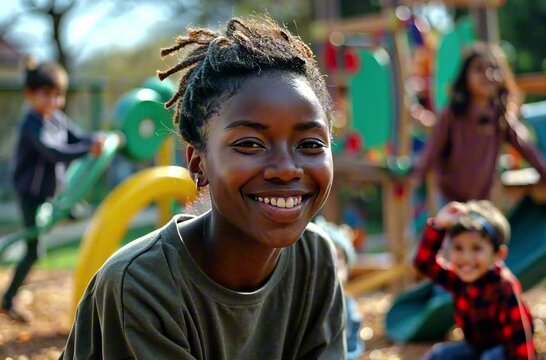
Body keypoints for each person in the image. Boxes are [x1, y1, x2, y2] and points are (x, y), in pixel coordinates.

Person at [61, 15, 346, 359]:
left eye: (311, 144)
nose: (286, 169)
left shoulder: (316, 260)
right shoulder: (141, 286)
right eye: (251, 144)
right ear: (198, 162)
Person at [1, 58, 103, 322]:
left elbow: (77, 136)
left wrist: (96, 138)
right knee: (34, 250)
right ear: (30, 95)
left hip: (52, 194)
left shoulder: (56, 118)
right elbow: (53, 152)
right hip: (32, 197)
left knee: (76, 211)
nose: (54, 102)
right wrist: (87, 149)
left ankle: (65, 213)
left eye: (59, 95)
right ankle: (8, 299)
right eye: (47, 95)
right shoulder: (31, 124)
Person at [409, 43, 546, 207]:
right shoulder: (452, 114)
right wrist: (416, 177)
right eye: (479, 69)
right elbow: (433, 149)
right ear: (465, 76)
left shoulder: (499, 117)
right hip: (450, 197)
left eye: (493, 69)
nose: (488, 75)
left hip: (482, 198)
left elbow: (526, 146)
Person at [414, 200, 535, 360]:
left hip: (504, 350)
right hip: (475, 346)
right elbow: (424, 264)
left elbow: (519, 338)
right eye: (458, 248)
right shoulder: (458, 279)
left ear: (498, 254)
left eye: (476, 248)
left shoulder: (504, 286)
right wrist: (438, 224)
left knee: (491, 357)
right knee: (439, 354)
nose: (466, 258)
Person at [313, 216, 364, 360]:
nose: (333, 264)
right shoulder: (304, 305)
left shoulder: (349, 308)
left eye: (339, 258)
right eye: (326, 256)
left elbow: (353, 347)